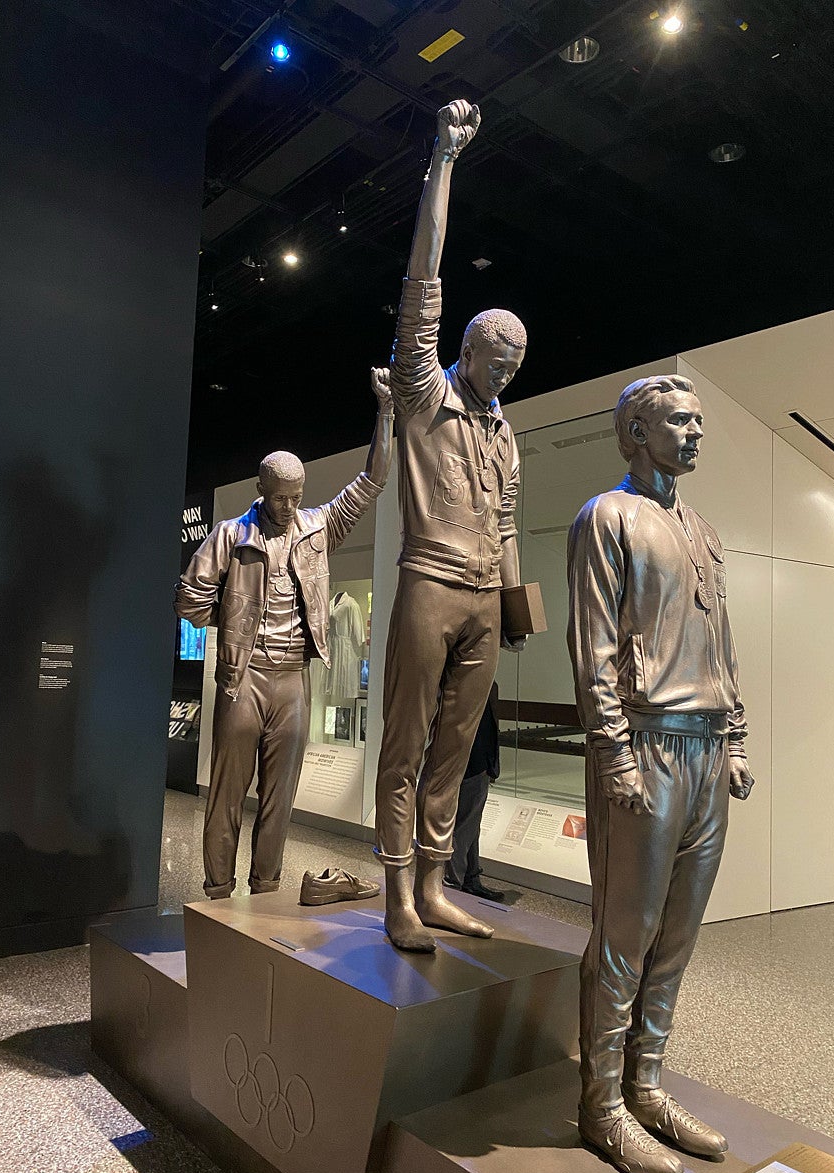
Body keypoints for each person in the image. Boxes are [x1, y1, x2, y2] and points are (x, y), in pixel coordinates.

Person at [567, 375, 754, 1173]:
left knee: (676, 938)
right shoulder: (606, 518)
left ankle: (645, 1082)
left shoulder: (704, 530)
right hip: (644, 748)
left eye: (699, 419)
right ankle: (600, 1102)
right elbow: (595, 650)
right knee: (624, 938)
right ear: (635, 434)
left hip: (708, 751)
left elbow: (723, 644)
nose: (694, 432)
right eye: (678, 420)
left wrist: (737, 736)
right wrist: (612, 753)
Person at [373, 99, 528, 953]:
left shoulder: (506, 432)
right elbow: (421, 285)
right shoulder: (425, 396)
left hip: (480, 601)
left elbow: (506, 521)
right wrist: (443, 160)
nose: (503, 377)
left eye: (514, 368)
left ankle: (434, 885)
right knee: (406, 743)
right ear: (464, 353)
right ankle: (397, 892)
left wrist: (511, 604)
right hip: (428, 582)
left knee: (457, 749)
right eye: (494, 362)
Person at [175, 369, 394, 899]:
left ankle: (266, 891)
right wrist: (228, 628)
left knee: (281, 796)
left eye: (296, 496)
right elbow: (189, 598)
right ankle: (217, 893)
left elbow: (372, 483)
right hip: (243, 676)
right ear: (260, 491)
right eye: (279, 498)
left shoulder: (318, 528)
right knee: (228, 793)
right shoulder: (231, 534)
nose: (289, 507)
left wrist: (386, 413)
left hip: (293, 676)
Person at [443, 682, 504, 901]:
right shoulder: (468, 685)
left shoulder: (480, 684)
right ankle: (453, 884)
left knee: (470, 825)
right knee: (464, 826)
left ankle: (470, 878)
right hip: (471, 764)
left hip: (474, 764)